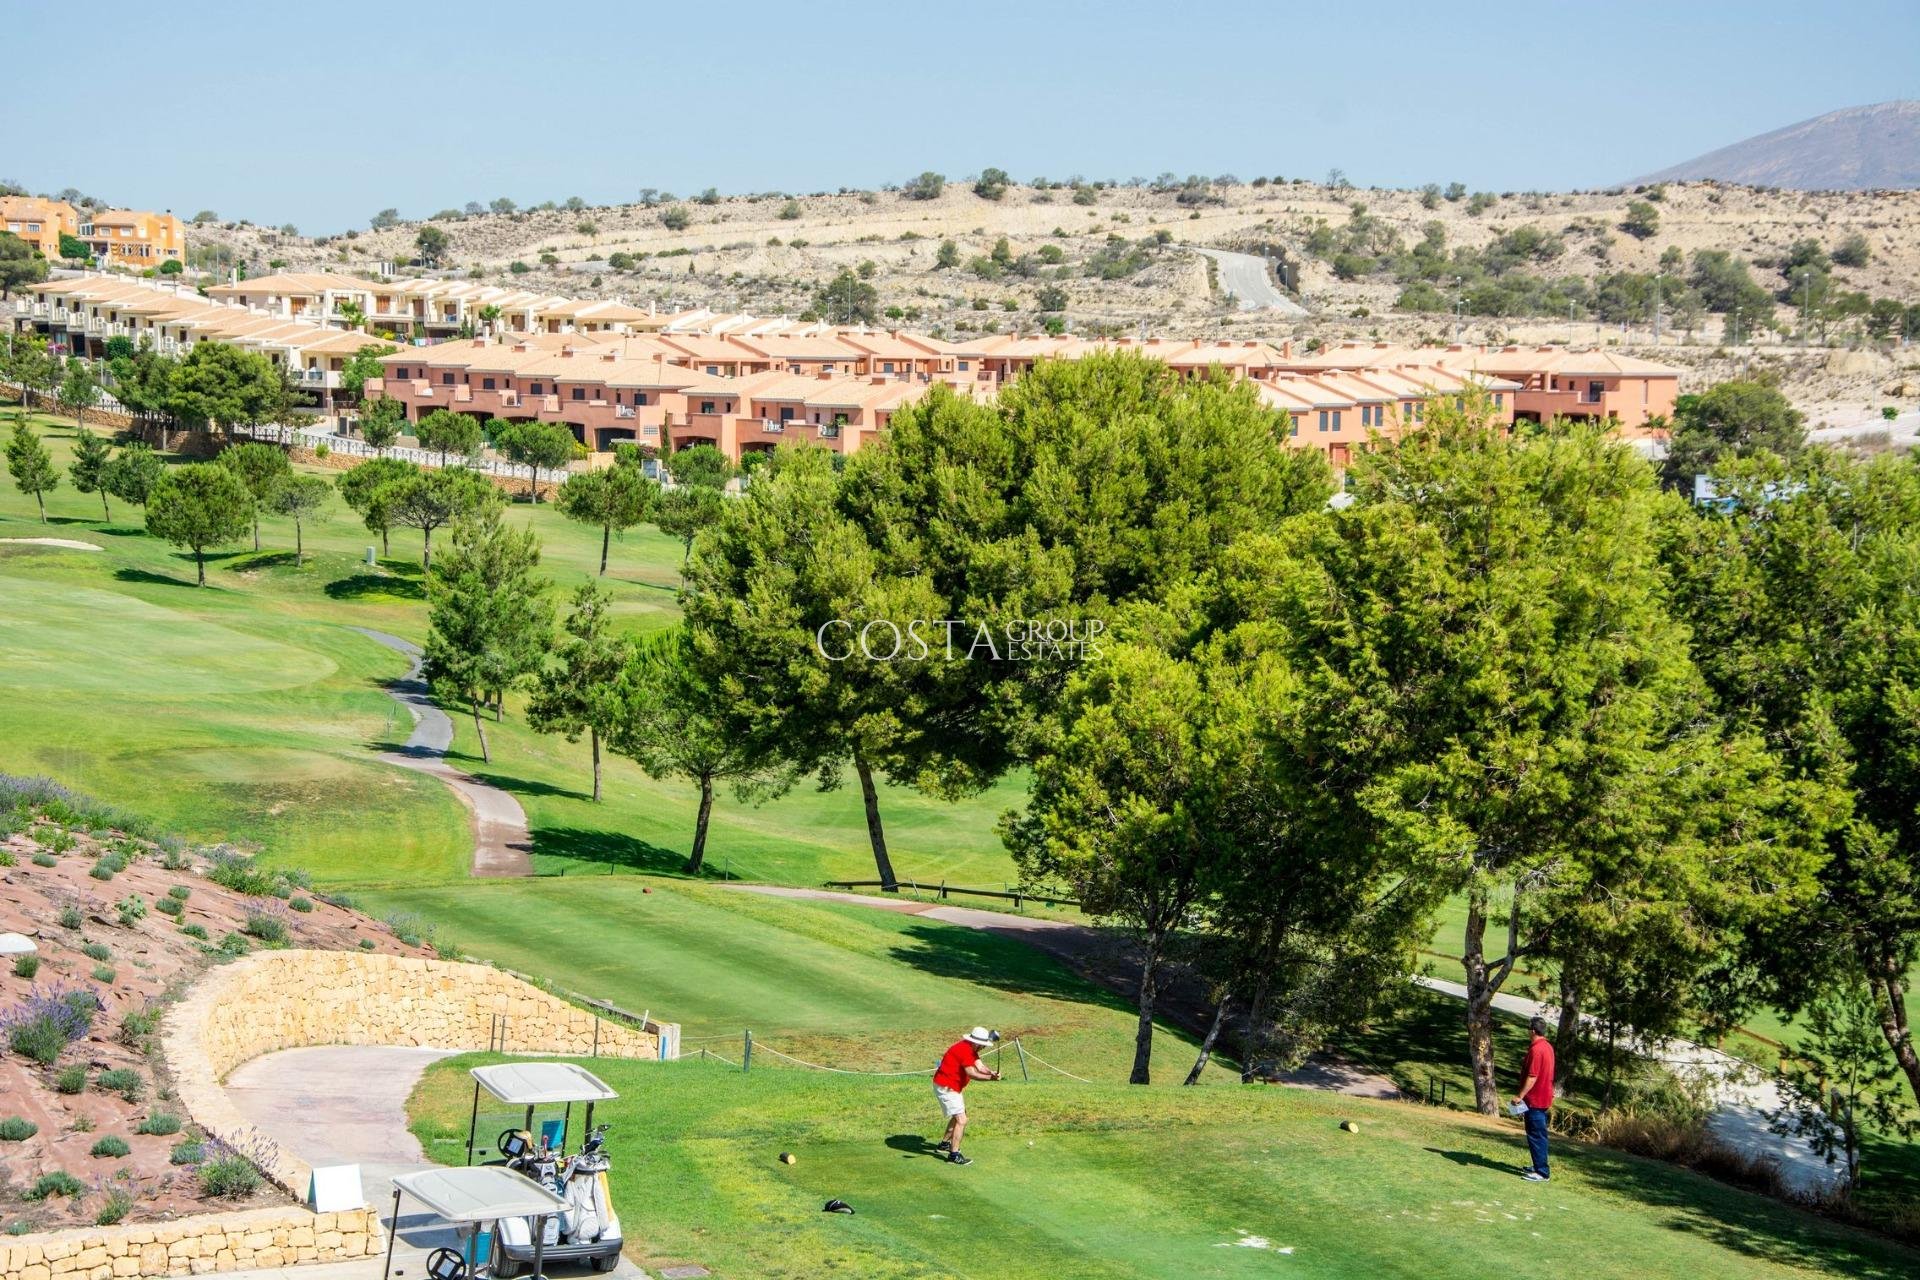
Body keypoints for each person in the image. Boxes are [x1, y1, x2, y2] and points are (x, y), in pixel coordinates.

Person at [931, 1026, 1000, 1166]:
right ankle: (953, 1155)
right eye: (983, 1045)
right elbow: (972, 1073)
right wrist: (990, 1079)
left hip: (951, 1086)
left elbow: (980, 1067)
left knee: (958, 1116)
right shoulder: (964, 1050)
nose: (984, 1048)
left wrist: (990, 1072)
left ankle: (944, 1145)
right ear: (976, 1042)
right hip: (946, 1086)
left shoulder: (970, 1048)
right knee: (961, 1119)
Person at [1513, 1014, 1556, 1182]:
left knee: (1537, 1135)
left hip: (1535, 1099)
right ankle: (1538, 1165)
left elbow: (1532, 1076)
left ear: (1532, 1030)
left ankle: (1542, 1172)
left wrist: (1520, 1096)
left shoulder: (1537, 1049)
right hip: (1543, 1097)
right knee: (1537, 1133)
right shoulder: (1547, 1047)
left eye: (1528, 1029)